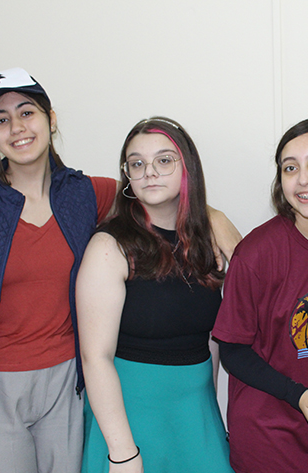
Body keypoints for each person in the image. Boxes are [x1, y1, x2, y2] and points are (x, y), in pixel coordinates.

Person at [0, 70, 239, 473]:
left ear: (51, 119)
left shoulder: (86, 193)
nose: (17, 127)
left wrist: (212, 219)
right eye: (1, 120)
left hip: (68, 385)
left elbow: (156, 194)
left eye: (27, 112)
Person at [77, 117, 236, 473]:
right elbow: (95, 358)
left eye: (164, 160)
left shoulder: (206, 241)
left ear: (187, 168)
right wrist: (122, 453)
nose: (149, 172)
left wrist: (211, 416)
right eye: (137, 163)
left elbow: (212, 340)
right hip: (130, 421)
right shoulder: (109, 246)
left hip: (197, 415)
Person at [212, 119, 308, 473]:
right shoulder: (256, 253)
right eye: (290, 168)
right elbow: (233, 350)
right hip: (269, 442)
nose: (303, 179)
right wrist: (298, 394)